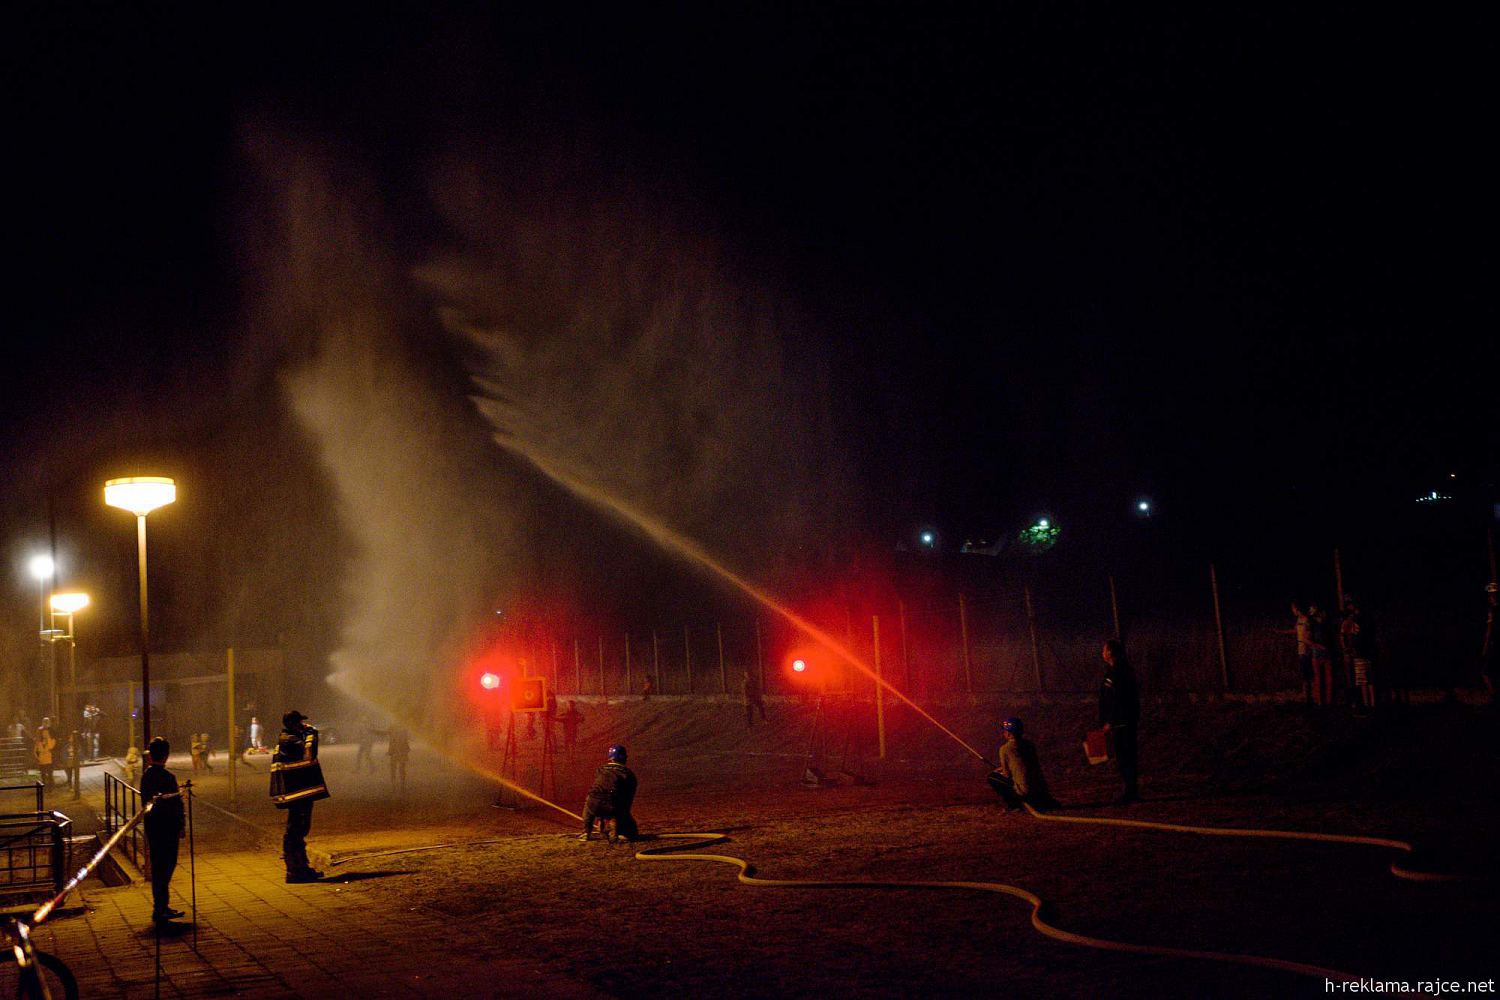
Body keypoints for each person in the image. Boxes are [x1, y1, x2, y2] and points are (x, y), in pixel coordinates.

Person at [273, 711, 327, 883]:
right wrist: (312, 734)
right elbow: (309, 754)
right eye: (300, 722)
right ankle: (296, 871)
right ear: (292, 723)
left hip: (298, 791)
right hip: (298, 793)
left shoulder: (289, 738)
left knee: (298, 831)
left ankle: (301, 868)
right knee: (296, 831)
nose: (303, 725)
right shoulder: (290, 740)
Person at [140, 737, 186, 922]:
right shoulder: (168, 778)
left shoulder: (147, 777)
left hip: (153, 827)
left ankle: (161, 906)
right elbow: (176, 804)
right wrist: (181, 825)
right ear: (166, 755)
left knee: (159, 866)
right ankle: (160, 908)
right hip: (168, 828)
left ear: (150, 755)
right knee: (166, 866)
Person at [1099, 638, 1140, 805]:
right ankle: (1131, 789)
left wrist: (1111, 720)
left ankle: (1130, 791)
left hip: (1121, 722)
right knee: (1126, 754)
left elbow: (1118, 699)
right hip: (1125, 720)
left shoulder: (1117, 673)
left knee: (1125, 755)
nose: (1102, 653)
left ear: (1109, 652)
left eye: (1104, 649)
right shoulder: (1122, 670)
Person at [987, 717, 1056, 811]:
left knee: (992, 777)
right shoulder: (1030, 745)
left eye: (1004, 731)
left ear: (1008, 733)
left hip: (1025, 791)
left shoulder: (1004, 749)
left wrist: (1000, 771)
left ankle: (1014, 804)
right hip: (1040, 789)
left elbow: (1007, 774)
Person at [578, 744, 639, 842]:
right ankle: (616, 831)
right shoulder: (628, 774)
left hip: (593, 804)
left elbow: (598, 792)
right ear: (624, 758)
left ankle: (586, 832)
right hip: (612, 806)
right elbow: (627, 801)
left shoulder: (600, 770)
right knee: (632, 831)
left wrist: (601, 818)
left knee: (590, 801)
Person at [33, 723, 57, 791]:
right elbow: (35, 750)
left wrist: (48, 739)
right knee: (43, 775)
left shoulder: (52, 740)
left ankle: (51, 787)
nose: (45, 734)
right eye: (43, 733)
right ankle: (45, 787)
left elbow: (50, 747)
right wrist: (37, 758)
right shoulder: (39, 742)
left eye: (46, 733)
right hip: (41, 760)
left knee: (50, 774)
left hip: (49, 760)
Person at [387, 725, 410, 794]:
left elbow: (391, 740)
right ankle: (400, 786)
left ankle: (396, 786)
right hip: (400, 751)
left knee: (395, 769)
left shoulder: (392, 728)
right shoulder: (403, 728)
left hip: (397, 751)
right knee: (400, 769)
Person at [64, 731, 81, 799]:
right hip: (71, 762)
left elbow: (79, 753)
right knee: (71, 775)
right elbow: (64, 753)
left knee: (76, 777)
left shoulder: (76, 745)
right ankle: (73, 789)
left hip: (74, 762)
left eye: (71, 737)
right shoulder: (68, 745)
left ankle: (76, 792)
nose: (69, 738)